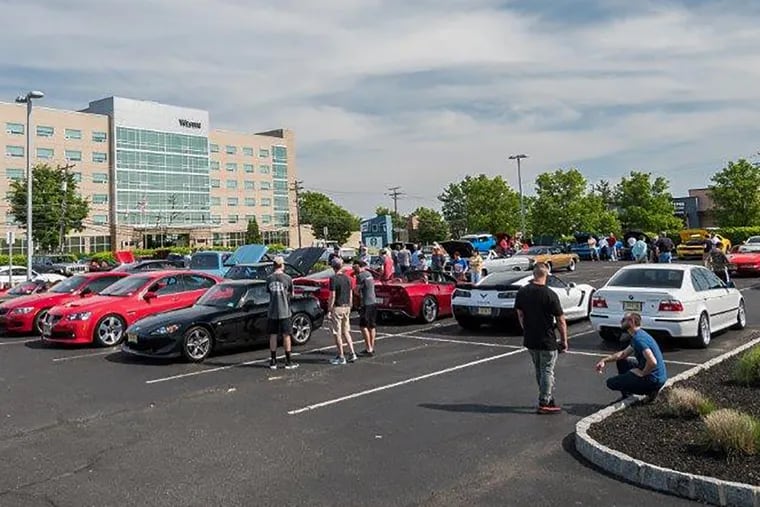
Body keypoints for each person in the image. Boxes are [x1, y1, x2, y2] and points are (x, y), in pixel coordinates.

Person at [514, 263, 568, 414]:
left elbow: (520, 314)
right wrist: (564, 340)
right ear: (547, 275)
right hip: (547, 339)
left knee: (539, 369)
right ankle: (544, 401)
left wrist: (526, 329)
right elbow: (561, 320)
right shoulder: (549, 294)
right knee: (547, 370)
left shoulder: (522, 292)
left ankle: (547, 397)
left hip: (531, 338)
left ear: (533, 274)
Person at [595, 312, 667, 401]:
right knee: (622, 361)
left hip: (653, 379)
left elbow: (653, 362)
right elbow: (623, 354)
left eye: (623, 320)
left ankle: (651, 391)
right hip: (657, 376)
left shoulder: (639, 340)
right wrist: (604, 360)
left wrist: (642, 373)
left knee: (611, 383)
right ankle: (628, 396)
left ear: (631, 322)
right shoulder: (638, 335)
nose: (621, 322)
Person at [265, 256, 299, 370]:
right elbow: (292, 293)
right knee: (286, 335)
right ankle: (288, 361)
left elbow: (268, 292)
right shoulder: (288, 278)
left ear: (274, 265)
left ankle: (273, 360)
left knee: (273, 335)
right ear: (282, 265)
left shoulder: (269, 278)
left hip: (272, 311)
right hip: (285, 310)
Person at [328, 258, 357, 365]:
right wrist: (350, 305)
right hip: (347, 307)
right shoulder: (348, 278)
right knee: (346, 331)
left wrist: (329, 309)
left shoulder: (333, 279)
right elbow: (350, 294)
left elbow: (333, 295)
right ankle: (352, 353)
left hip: (338, 307)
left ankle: (341, 356)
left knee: (337, 333)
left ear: (333, 267)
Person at [353, 260, 377, 356]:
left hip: (366, 303)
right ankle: (371, 346)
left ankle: (368, 349)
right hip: (373, 302)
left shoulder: (360, 276)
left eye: (355, 266)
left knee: (363, 326)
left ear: (359, 266)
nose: (353, 268)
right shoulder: (369, 274)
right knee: (372, 326)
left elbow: (356, 290)